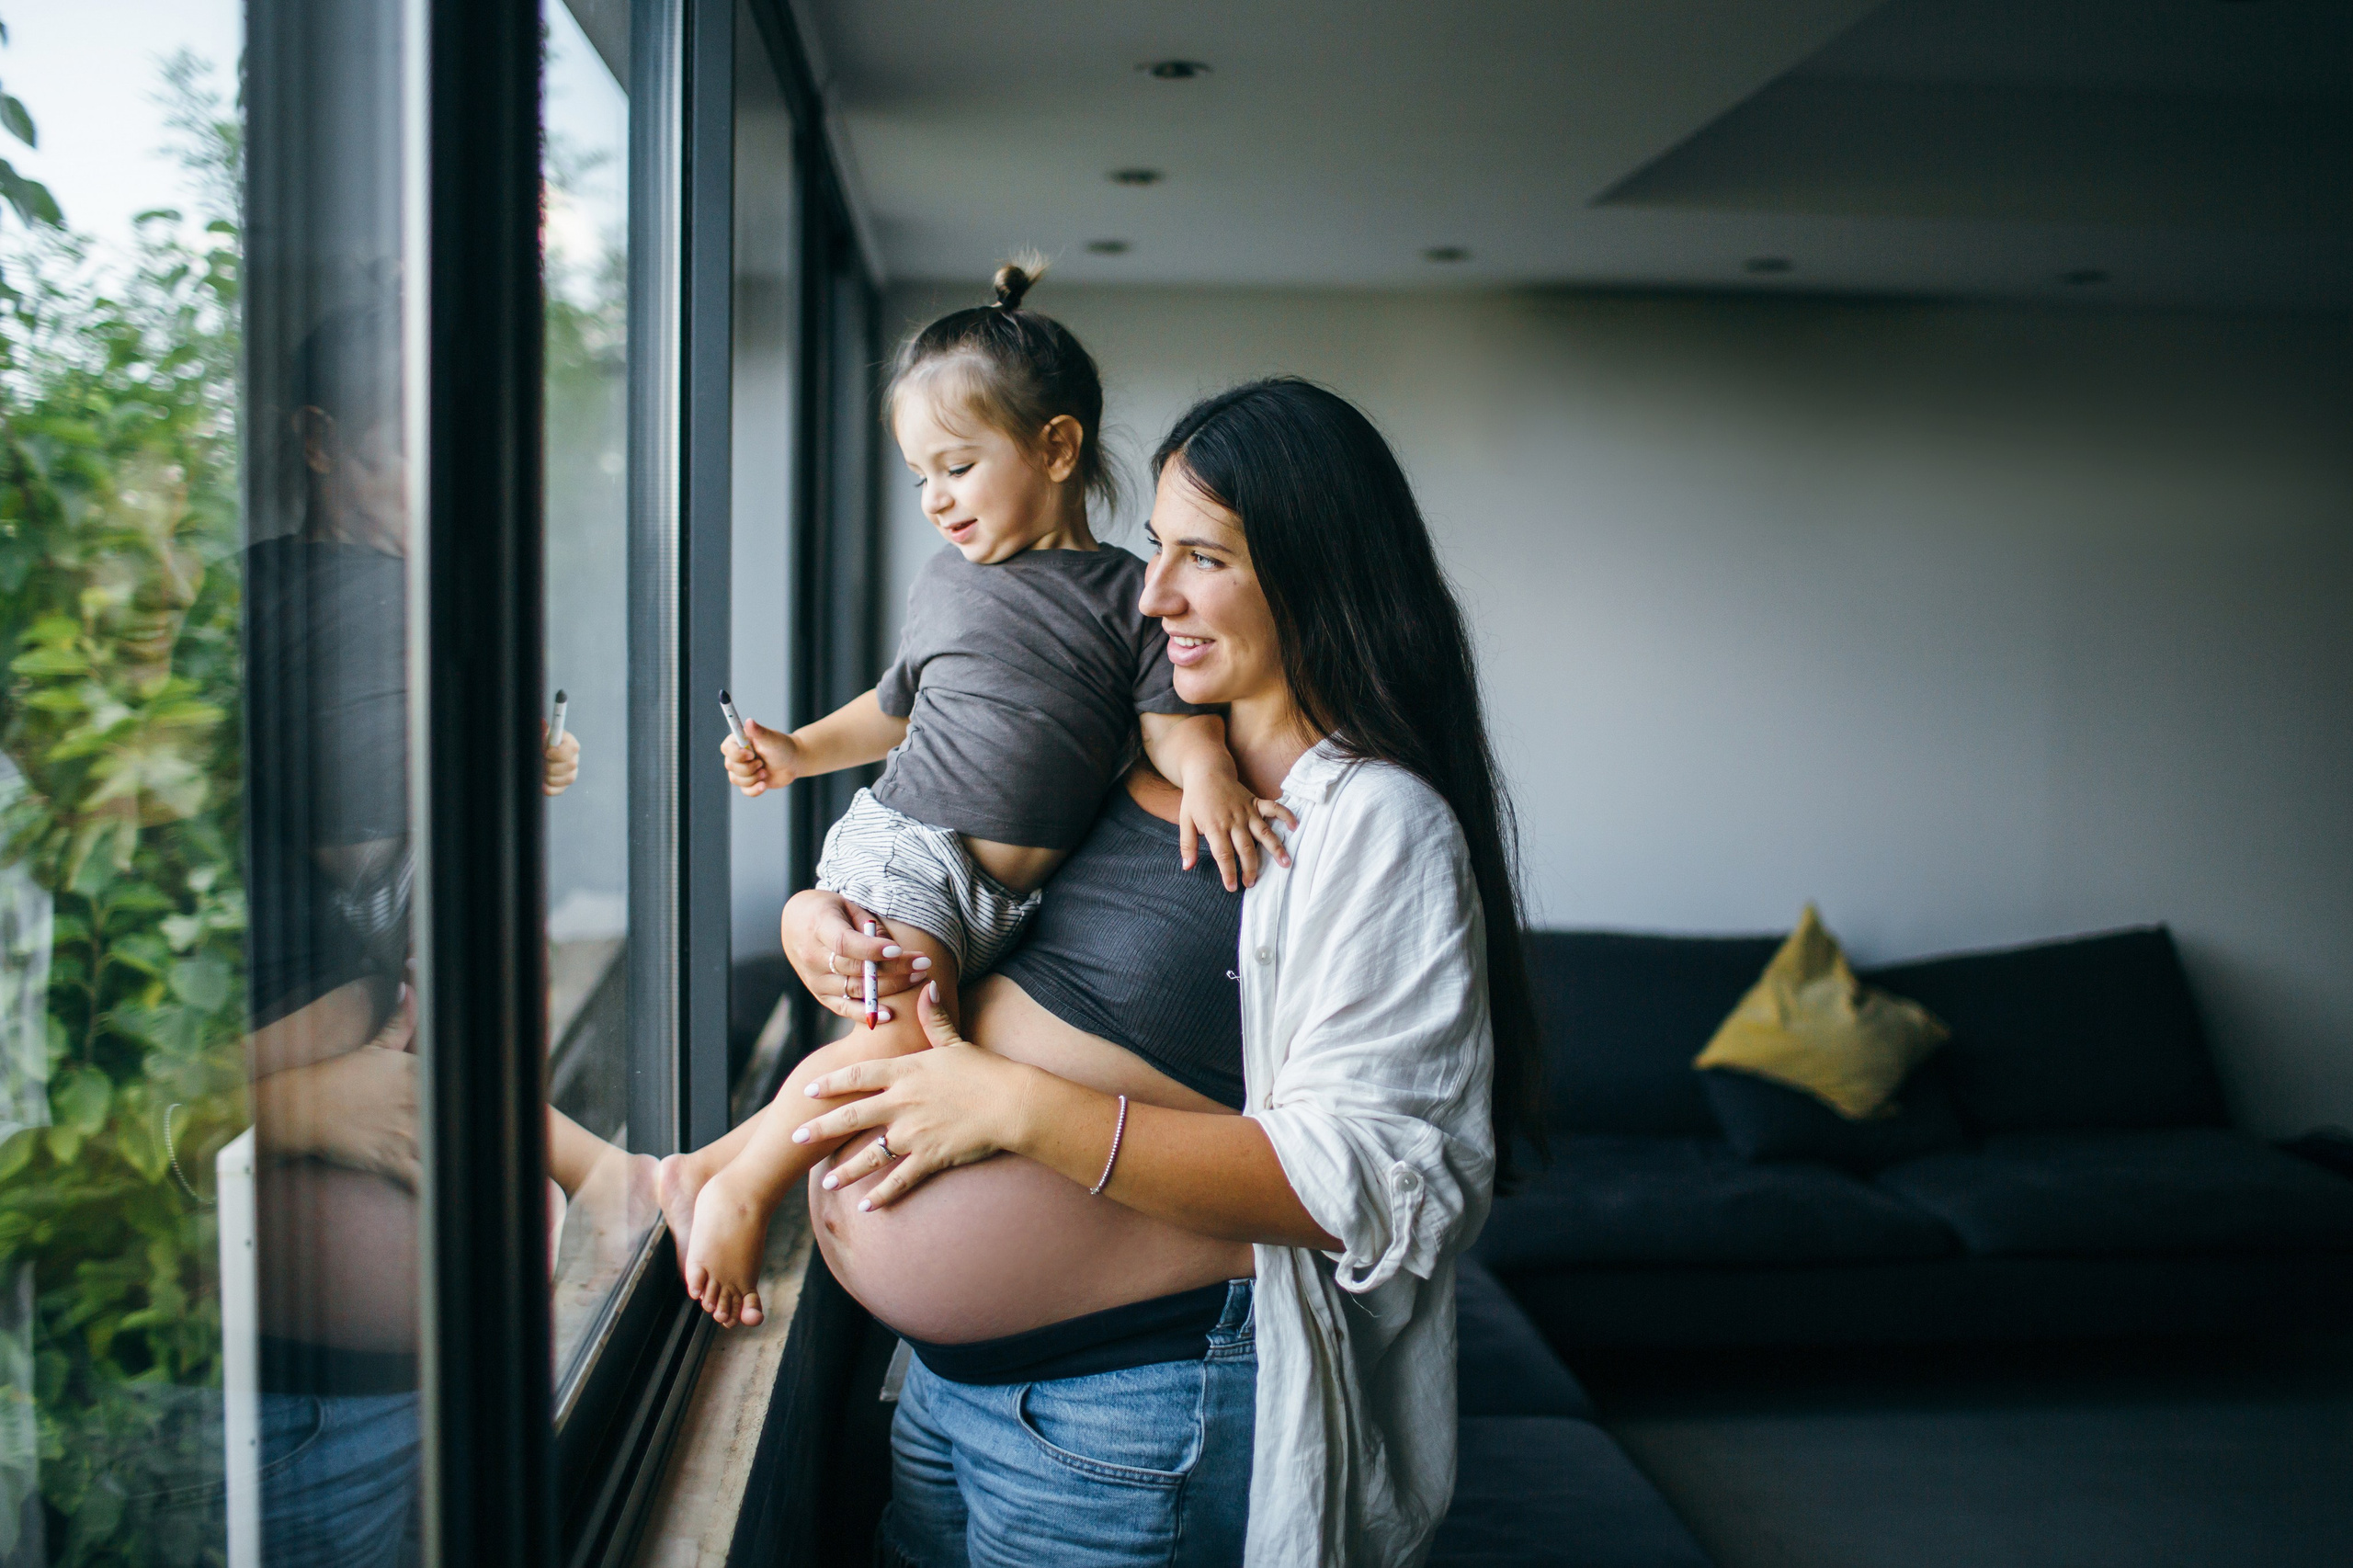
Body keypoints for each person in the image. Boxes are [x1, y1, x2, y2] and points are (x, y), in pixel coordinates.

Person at [783, 379, 1543, 1565]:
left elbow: (1389, 1181)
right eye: (1154, 548)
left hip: (1128, 1420)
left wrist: (1013, 1108)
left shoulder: (1374, 825)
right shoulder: (1116, 748)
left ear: (1314, 573)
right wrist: (817, 917)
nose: (1154, 595)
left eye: (1206, 558)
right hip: (939, 1395)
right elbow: (935, 867)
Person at [659, 261, 1282, 1329]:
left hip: (1001, 904)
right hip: (912, 844)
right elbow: (897, 707)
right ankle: (740, 1186)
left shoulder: (1130, 605)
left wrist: (1214, 773)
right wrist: (800, 749)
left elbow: (1174, 730)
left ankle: (701, 1165)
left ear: (1055, 449)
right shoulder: (947, 583)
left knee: (904, 1033)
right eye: (919, 476)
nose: (934, 498)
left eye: (955, 465)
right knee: (905, 1036)